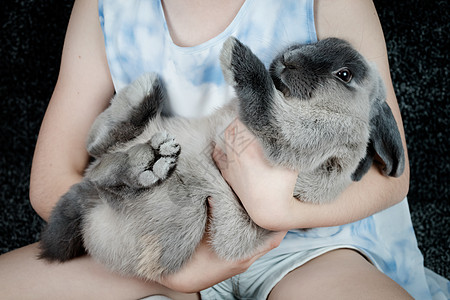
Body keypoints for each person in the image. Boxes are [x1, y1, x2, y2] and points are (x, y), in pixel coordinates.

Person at [0, 0, 447, 299]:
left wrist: (280, 211)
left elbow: (393, 175)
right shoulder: (104, 8)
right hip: (166, 230)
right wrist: (167, 268)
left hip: (313, 242)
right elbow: (53, 177)